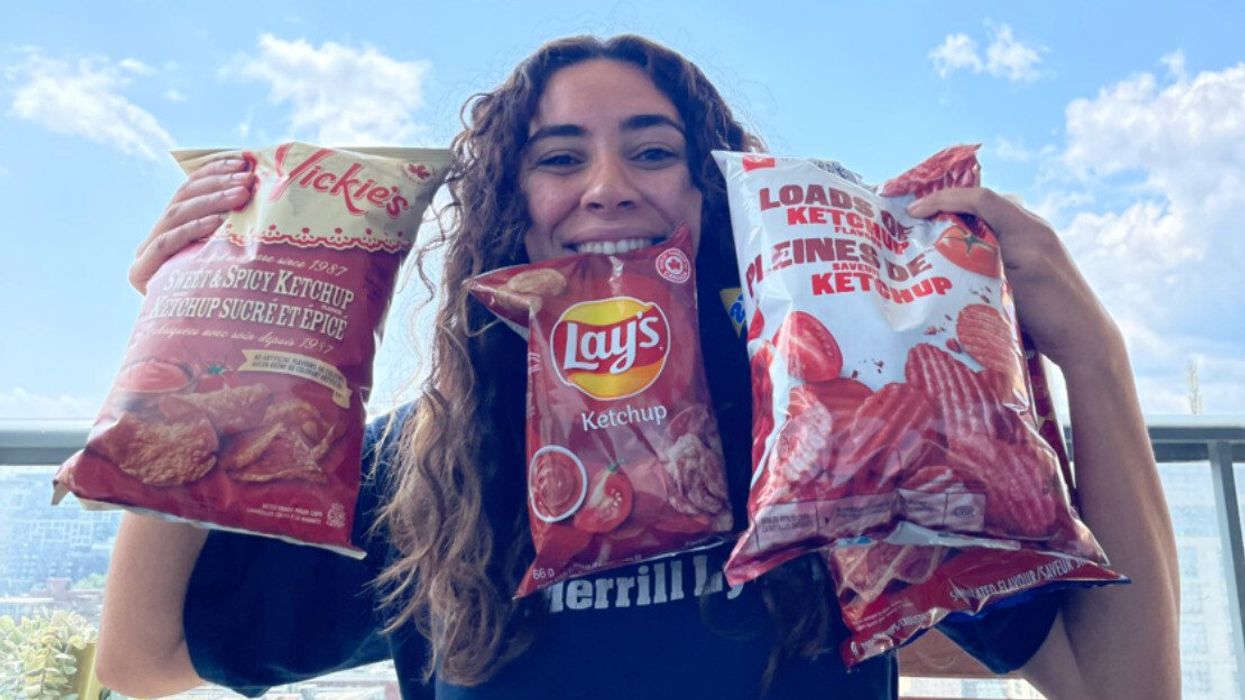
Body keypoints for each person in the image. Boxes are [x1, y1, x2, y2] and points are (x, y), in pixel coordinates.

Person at [96, 35, 1180, 699]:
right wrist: (199, 349)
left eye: (654, 150)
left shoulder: (833, 430)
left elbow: (1118, 685)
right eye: (559, 157)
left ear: (723, 201)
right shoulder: (434, 464)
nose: (607, 185)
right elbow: (146, 659)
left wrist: (1092, 349)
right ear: (506, 214)